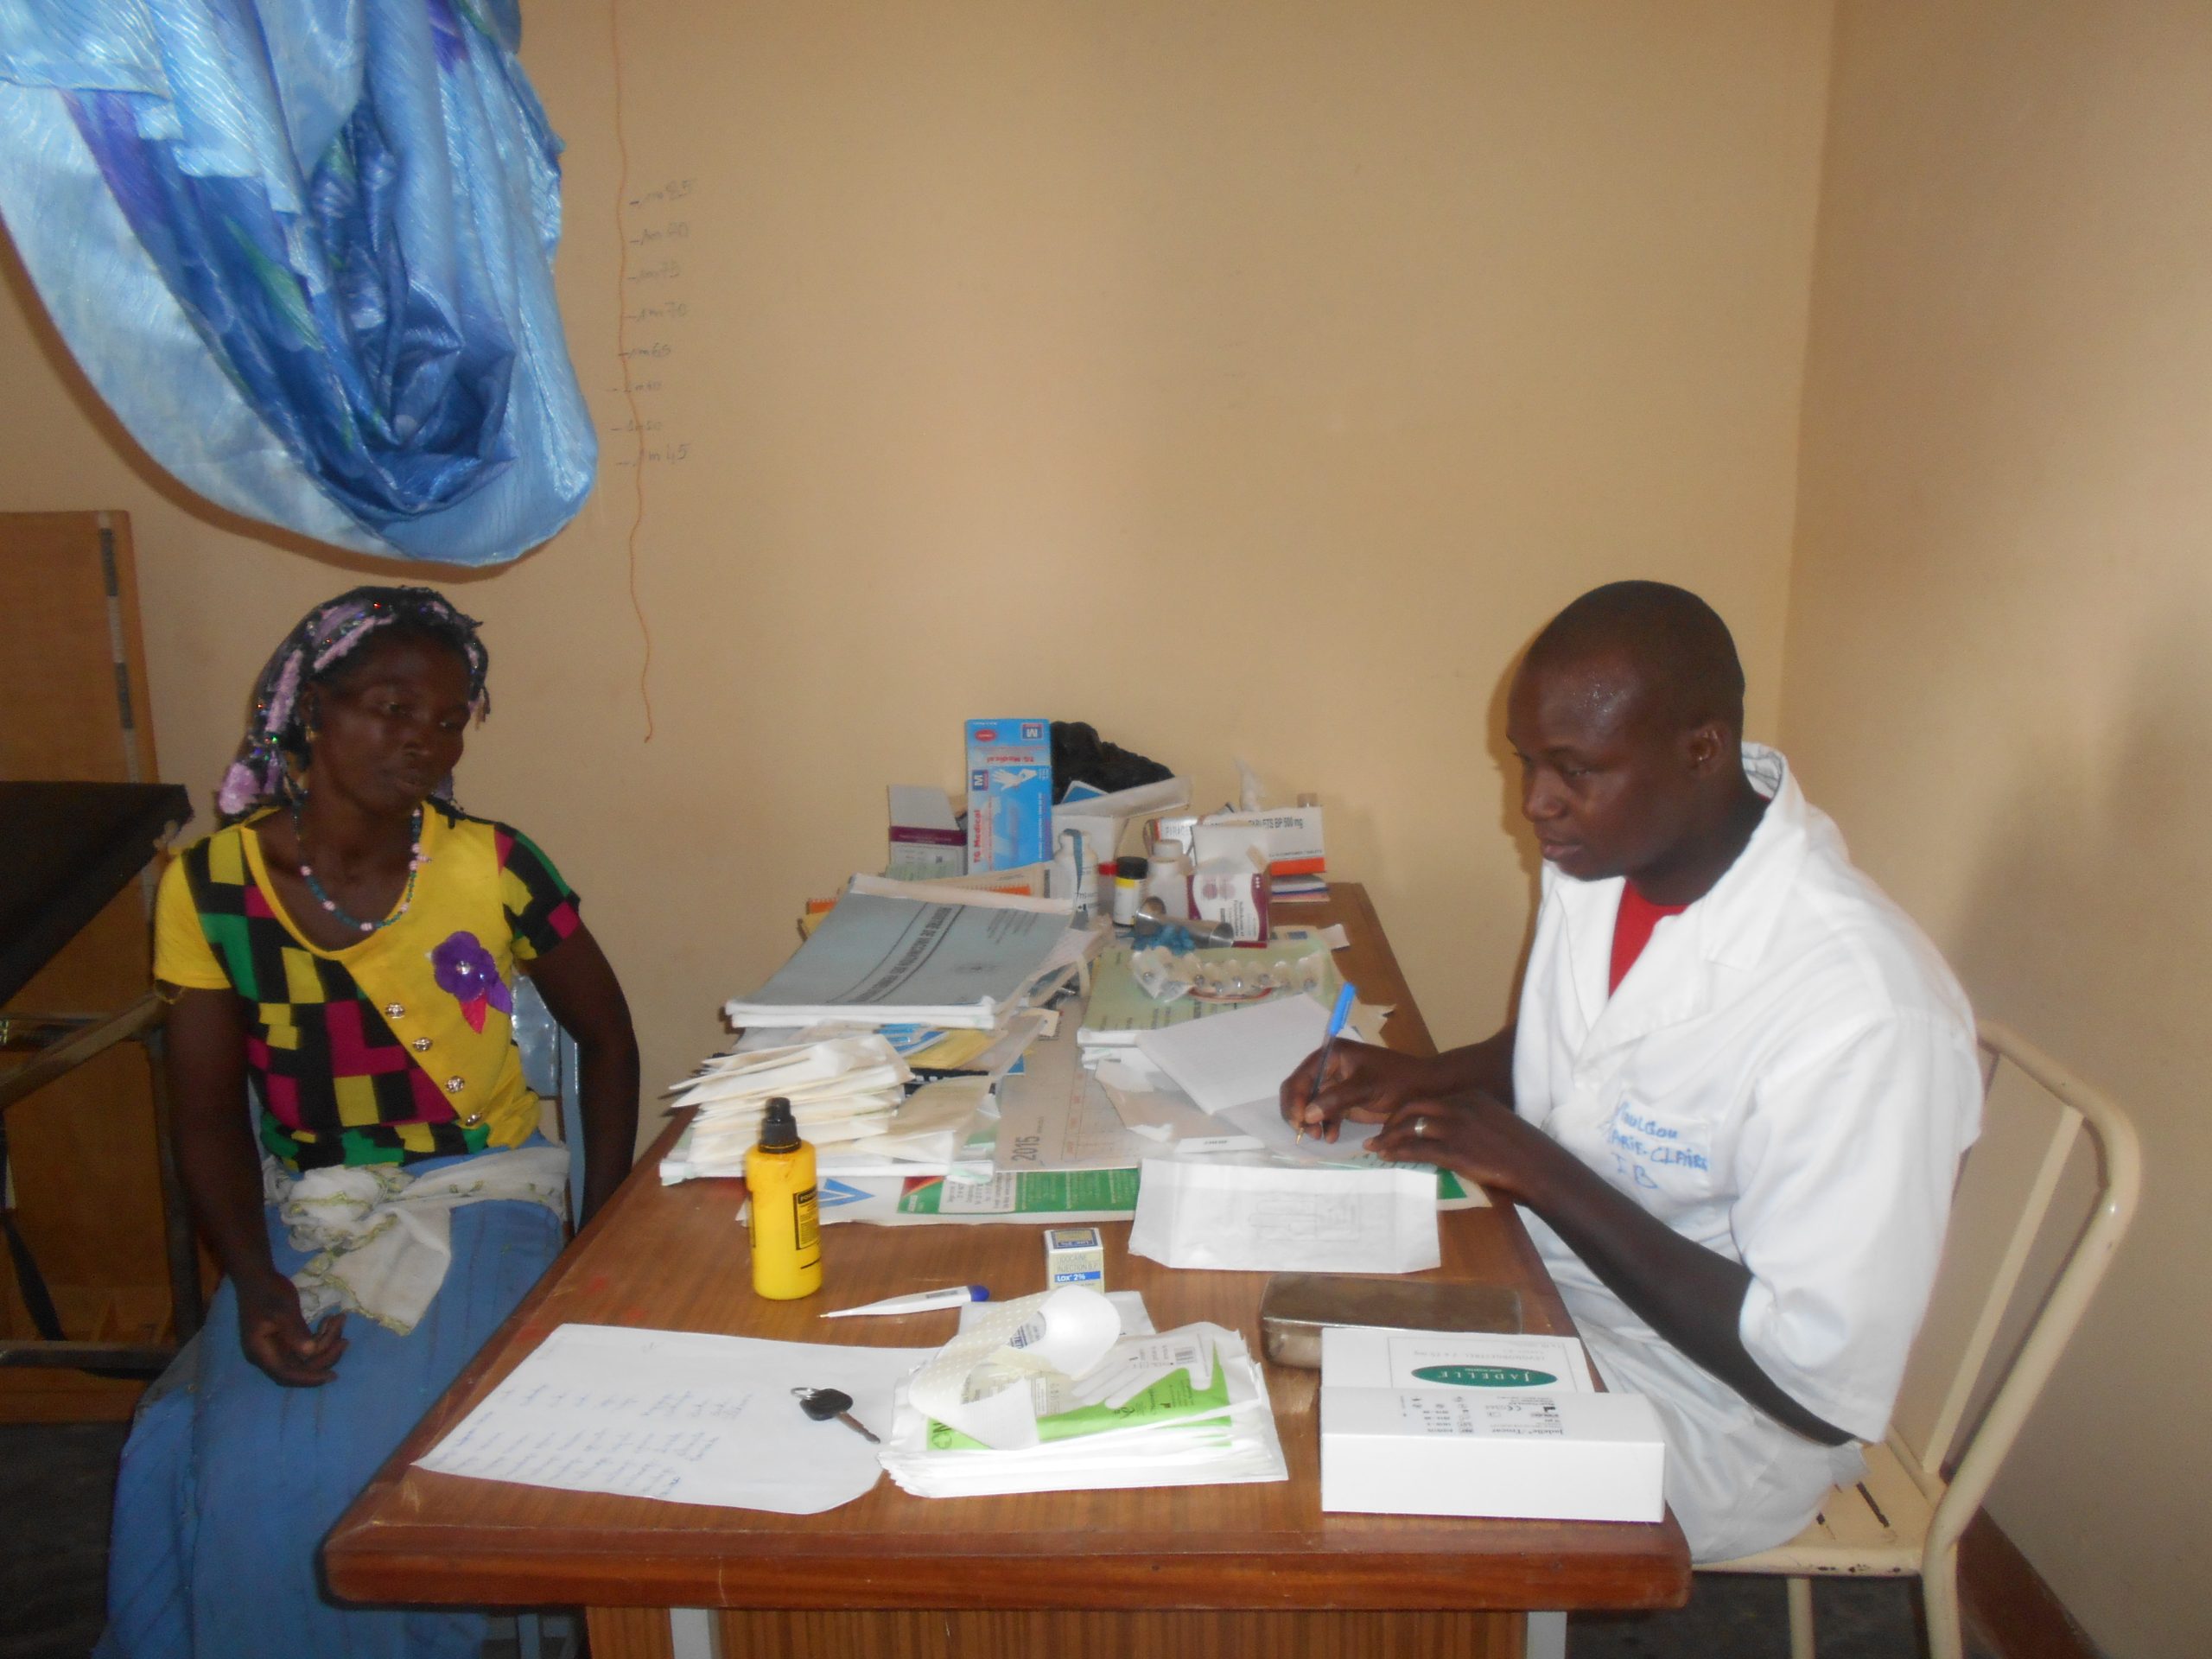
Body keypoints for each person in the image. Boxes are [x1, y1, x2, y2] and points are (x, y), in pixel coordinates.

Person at [1282, 581, 1981, 1563]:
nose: (1534, 803)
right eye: (1526, 763)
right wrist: (1425, 1076)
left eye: (1573, 769)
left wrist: (1540, 1172)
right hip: (1550, 1282)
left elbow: (1814, 1387)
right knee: (1277, 1334)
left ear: (1702, 750)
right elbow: (1586, 1050)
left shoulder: (1862, 1015)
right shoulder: (1607, 858)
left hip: (1720, 1409)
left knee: (1336, 1491)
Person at [99, 587, 639, 1658]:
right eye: (392, 708)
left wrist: (598, 1236)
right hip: (311, 1208)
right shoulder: (208, 889)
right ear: (310, 709)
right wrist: (254, 1277)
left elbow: (608, 1040)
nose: (424, 740)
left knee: (371, 1459)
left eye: (447, 720)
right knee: (214, 1458)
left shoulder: (493, 863)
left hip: (486, 1194)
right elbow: (205, 1116)